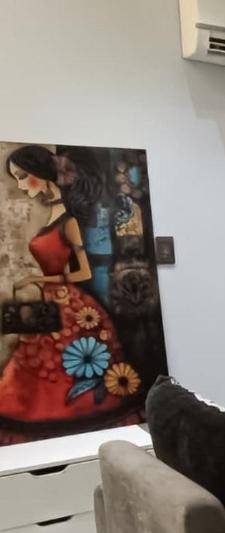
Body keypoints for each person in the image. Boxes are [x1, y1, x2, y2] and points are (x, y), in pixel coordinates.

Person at [0, 145, 131, 431]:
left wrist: (36, 280)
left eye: (22, 176)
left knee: (69, 370)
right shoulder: (52, 214)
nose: (20, 185)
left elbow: (83, 272)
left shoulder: (69, 220)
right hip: (51, 303)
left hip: (72, 307)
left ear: (38, 173)